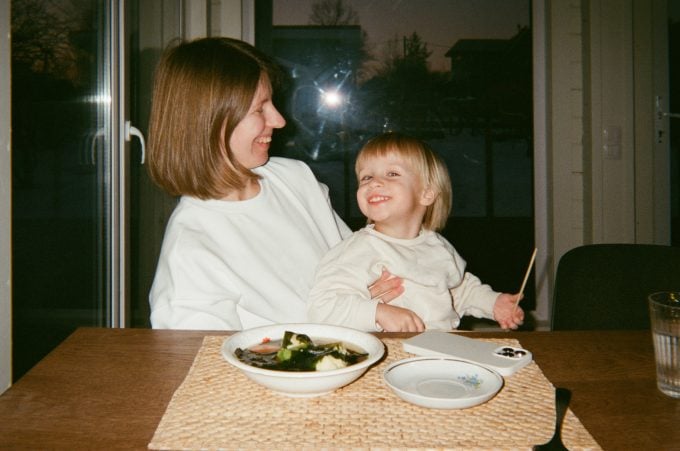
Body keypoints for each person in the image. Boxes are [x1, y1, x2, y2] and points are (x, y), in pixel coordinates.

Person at [146, 37, 402, 330]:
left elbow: (363, 268)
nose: (279, 121)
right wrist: (351, 311)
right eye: (260, 109)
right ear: (209, 121)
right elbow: (205, 357)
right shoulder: (191, 249)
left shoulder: (294, 178)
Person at [308, 132, 525, 332]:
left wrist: (493, 303)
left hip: (443, 346)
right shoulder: (358, 250)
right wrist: (378, 312)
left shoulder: (437, 246)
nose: (374, 183)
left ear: (426, 194)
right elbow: (323, 308)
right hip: (391, 351)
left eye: (392, 173)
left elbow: (458, 290)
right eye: (366, 177)